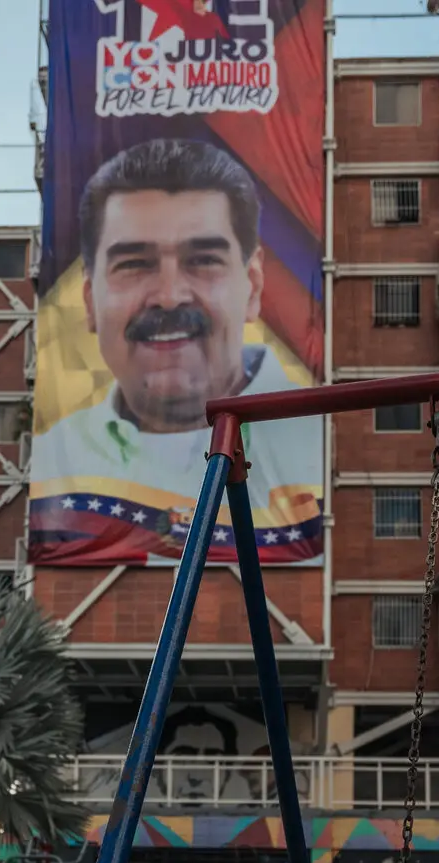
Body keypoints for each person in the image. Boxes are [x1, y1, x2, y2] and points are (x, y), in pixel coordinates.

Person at [37, 139, 321, 559]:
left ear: (253, 287)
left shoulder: (320, 444)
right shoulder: (52, 462)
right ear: (89, 301)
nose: (169, 297)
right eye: (134, 264)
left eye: (203, 260)